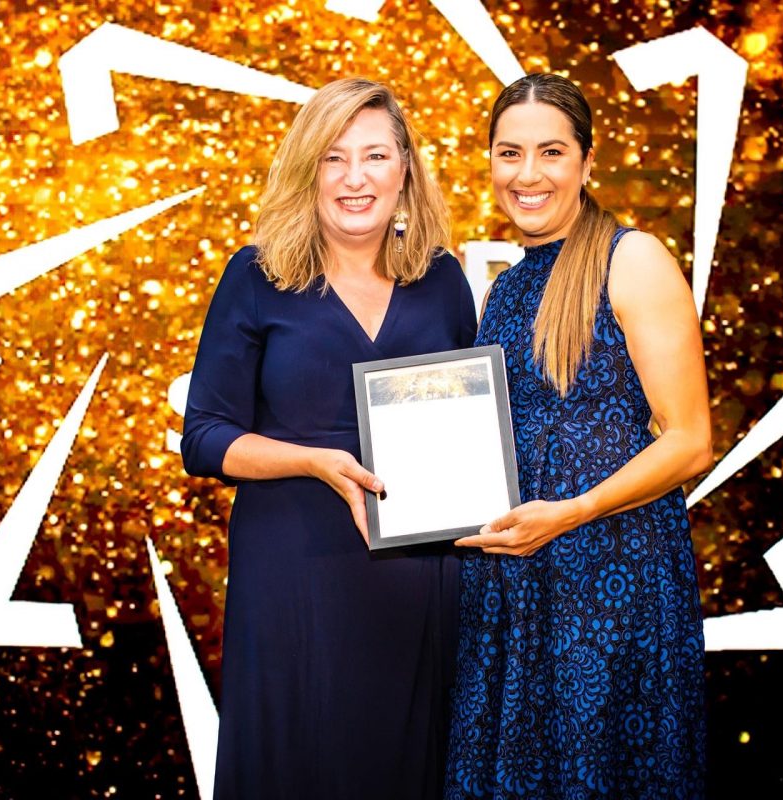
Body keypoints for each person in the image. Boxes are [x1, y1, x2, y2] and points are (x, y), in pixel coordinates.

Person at [181, 78, 477, 799]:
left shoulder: (442, 279)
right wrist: (313, 461)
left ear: (406, 168)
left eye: (375, 156)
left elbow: (470, 424)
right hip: (294, 573)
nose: (355, 178)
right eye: (333, 158)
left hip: (416, 580)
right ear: (306, 169)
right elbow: (204, 437)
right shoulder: (256, 276)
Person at [445, 73, 711, 798]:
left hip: (610, 584)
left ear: (587, 164)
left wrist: (575, 511)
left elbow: (690, 440)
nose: (527, 175)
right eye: (509, 153)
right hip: (515, 588)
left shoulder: (635, 259)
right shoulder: (503, 290)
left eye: (551, 153)